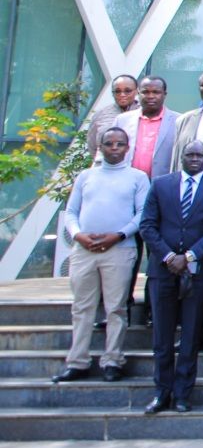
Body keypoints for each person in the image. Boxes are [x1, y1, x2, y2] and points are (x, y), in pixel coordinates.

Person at [139, 141, 203, 414]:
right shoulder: (160, 185)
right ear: (181, 156)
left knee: (191, 336)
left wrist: (189, 256)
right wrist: (169, 257)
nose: (194, 159)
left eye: (199, 155)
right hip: (163, 269)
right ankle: (161, 392)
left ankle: (182, 394)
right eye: (189, 154)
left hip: (198, 271)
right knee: (162, 337)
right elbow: (147, 225)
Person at [53, 127, 149, 384]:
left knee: (116, 308)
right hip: (84, 250)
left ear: (127, 148)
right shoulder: (86, 176)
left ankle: (112, 360)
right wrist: (78, 235)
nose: (114, 148)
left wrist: (117, 235)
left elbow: (142, 215)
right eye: (109, 144)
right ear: (101, 147)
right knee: (82, 307)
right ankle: (77, 361)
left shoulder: (138, 177)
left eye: (120, 144)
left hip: (119, 249)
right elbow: (71, 212)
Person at [116, 76, 178, 186]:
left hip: (163, 186)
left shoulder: (179, 121)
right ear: (138, 93)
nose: (150, 96)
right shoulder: (122, 120)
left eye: (156, 92)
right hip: (126, 184)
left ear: (165, 94)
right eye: (145, 92)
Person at [86, 75, 139, 157]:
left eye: (127, 91)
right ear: (112, 93)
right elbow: (92, 146)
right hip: (104, 165)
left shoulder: (144, 113)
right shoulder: (100, 114)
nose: (122, 95)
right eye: (117, 91)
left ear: (136, 91)